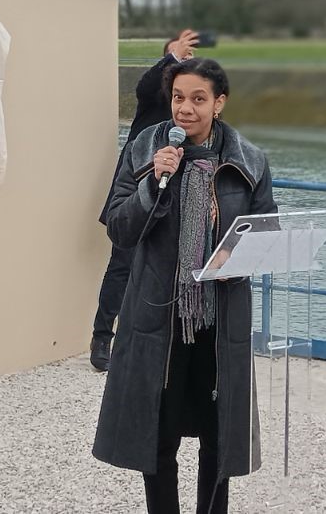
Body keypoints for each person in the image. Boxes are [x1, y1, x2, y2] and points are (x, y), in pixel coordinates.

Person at [93, 57, 272, 513]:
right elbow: (119, 228)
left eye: (198, 99)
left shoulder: (249, 160)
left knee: (219, 440)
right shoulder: (143, 150)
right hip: (160, 319)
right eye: (178, 98)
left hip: (220, 320)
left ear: (219, 103)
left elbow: (266, 229)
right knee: (159, 437)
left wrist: (239, 253)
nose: (185, 109)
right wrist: (153, 183)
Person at [92, 30, 199, 371]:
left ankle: (153, 341)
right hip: (136, 195)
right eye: (178, 55)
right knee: (121, 267)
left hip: (174, 202)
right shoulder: (154, 97)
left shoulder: (190, 108)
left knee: (168, 268)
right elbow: (145, 85)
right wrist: (171, 56)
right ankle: (101, 337)